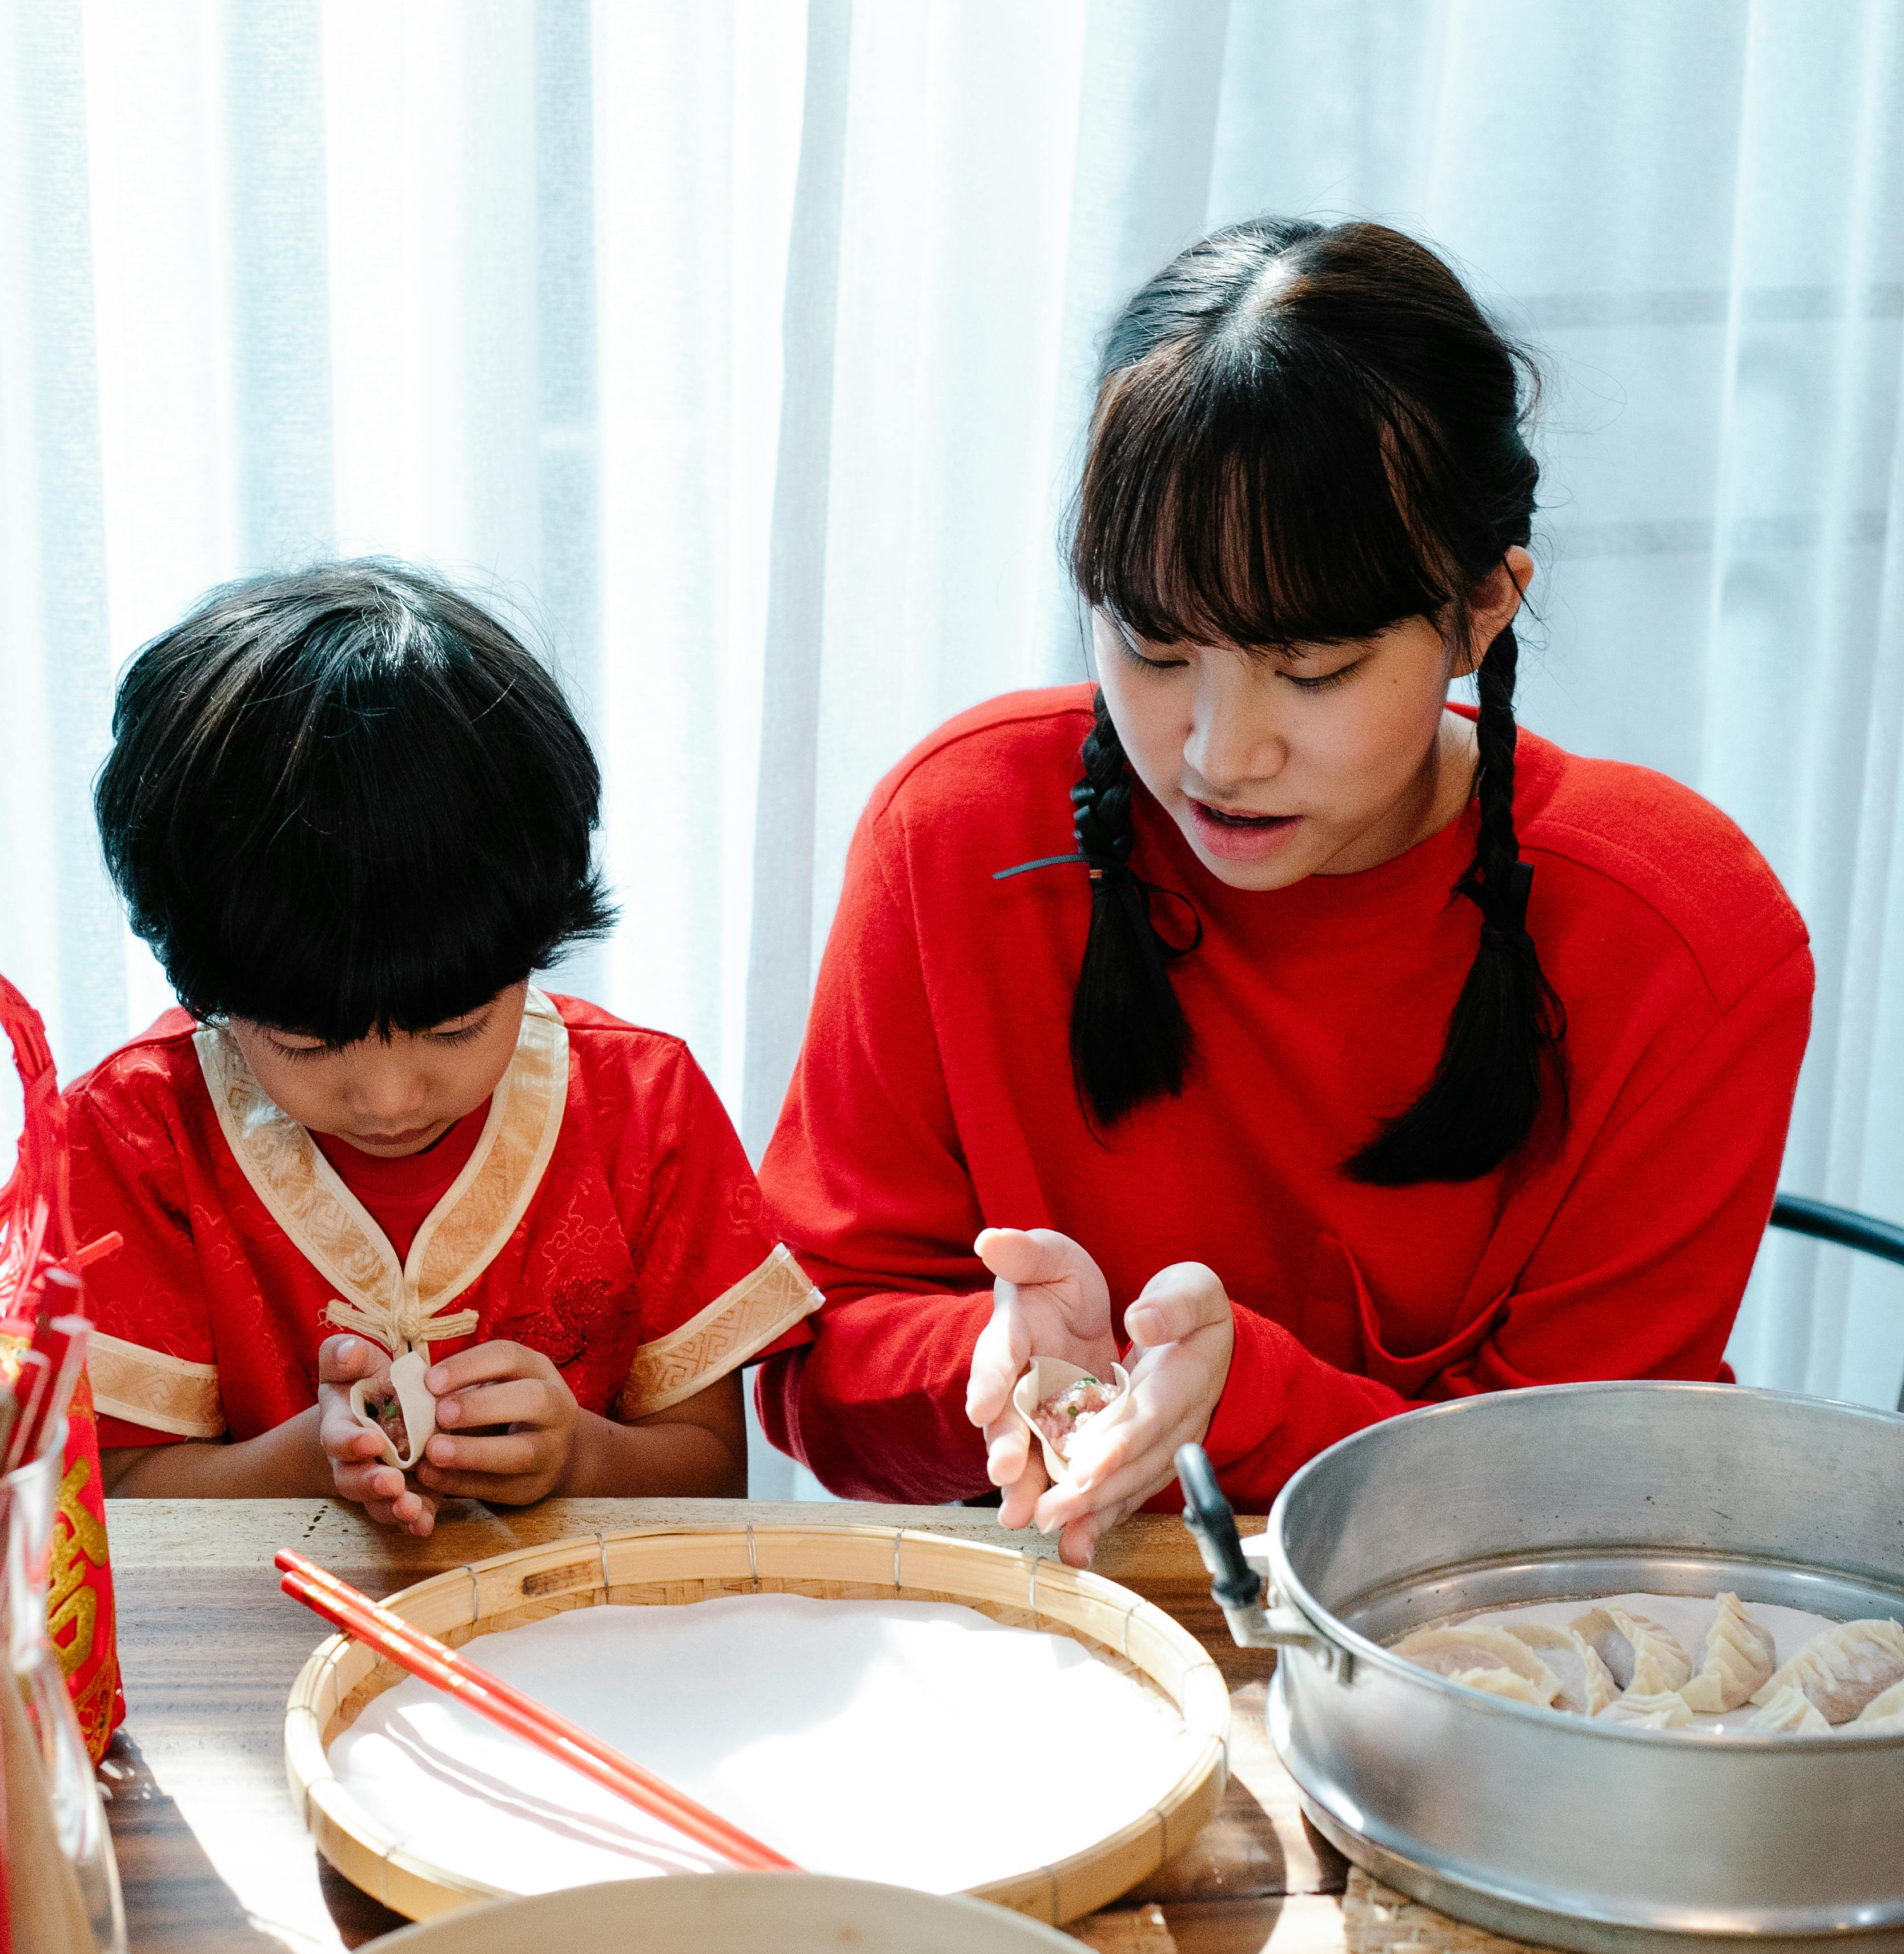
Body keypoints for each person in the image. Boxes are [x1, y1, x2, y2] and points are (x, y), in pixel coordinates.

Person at [757, 218, 1813, 1562]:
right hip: (1030, 1644)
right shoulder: (958, 836)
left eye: (1309, 669)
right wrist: (988, 1355)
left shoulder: (1684, 938)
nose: (1217, 753)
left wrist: (1244, 1405)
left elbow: (1575, 1504)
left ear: (1483, 609)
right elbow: (809, 1367)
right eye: (1152, 646)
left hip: (1457, 1671)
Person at [71, 562, 818, 1533]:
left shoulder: (643, 1104)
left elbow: (714, 1473)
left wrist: (581, 1453)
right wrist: (305, 1460)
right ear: (206, 986)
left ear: (537, 941)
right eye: (303, 1041)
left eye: (457, 1025)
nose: (389, 1099)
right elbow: (107, 1503)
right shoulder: (133, 1133)